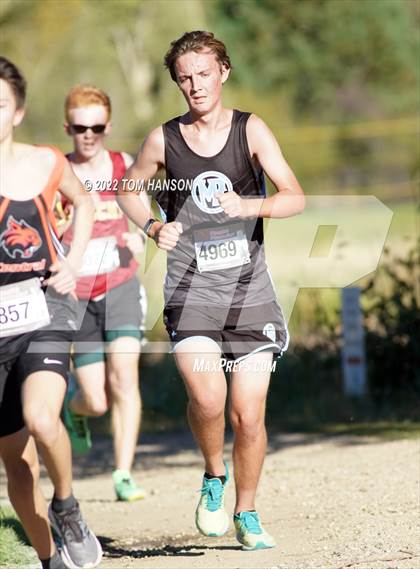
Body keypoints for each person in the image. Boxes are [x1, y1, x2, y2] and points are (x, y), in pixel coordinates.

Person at [117, 31, 305, 551]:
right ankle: (212, 474)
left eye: (203, 74)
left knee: (248, 415)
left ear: (223, 71)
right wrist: (154, 227)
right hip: (191, 288)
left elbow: (294, 197)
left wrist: (252, 207)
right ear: (177, 83)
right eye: (185, 78)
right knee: (207, 397)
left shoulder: (251, 131)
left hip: (250, 293)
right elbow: (128, 190)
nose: (195, 85)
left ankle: (247, 512)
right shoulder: (164, 140)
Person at [0, 57, 102, 569]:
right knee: (17, 467)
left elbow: (83, 204)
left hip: (43, 307)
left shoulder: (45, 163)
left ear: (17, 112)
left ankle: (67, 505)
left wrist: (74, 261)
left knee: (43, 418)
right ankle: (48, 559)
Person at [59, 85, 146, 502]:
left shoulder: (123, 165)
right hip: (75, 294)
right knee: (96, 398)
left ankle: (123, 472)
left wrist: (141, 238)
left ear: (108, 127)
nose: (89, 135)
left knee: (124, 378)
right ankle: (74, 410)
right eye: (80, 127)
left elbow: (144, 214)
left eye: (96, 127)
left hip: (121, 285)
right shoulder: (56, 171)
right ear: (68, 127)